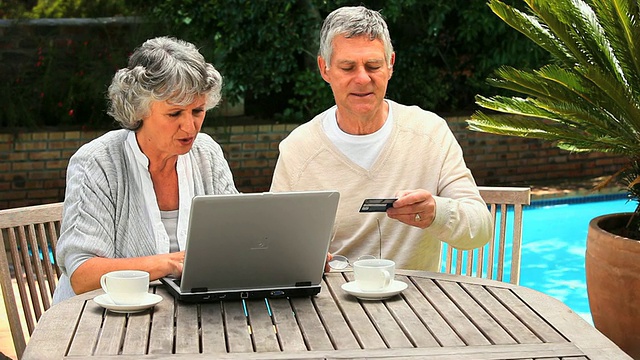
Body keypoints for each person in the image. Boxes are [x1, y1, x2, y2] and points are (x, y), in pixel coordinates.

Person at [270, 6, 492, 272]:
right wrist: (302, 258)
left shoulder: (430, 132)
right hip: (331, 305)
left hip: (420, 305)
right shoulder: (299, 149)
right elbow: (274, 242)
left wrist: (437, 212)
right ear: (324, 69)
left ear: (390, 65)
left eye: (373, 65)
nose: (363, 79)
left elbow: (481, 228)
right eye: (348, 67)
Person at [53, 37, 238, 303]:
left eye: (198, 110)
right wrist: (168, 264)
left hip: (191, 316)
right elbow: (83, 275)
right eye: (174, 114)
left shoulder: (206, 153)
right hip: (102, 322)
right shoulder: (97, 162)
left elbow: (236, 237)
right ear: (139, 110)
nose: (190, 127)